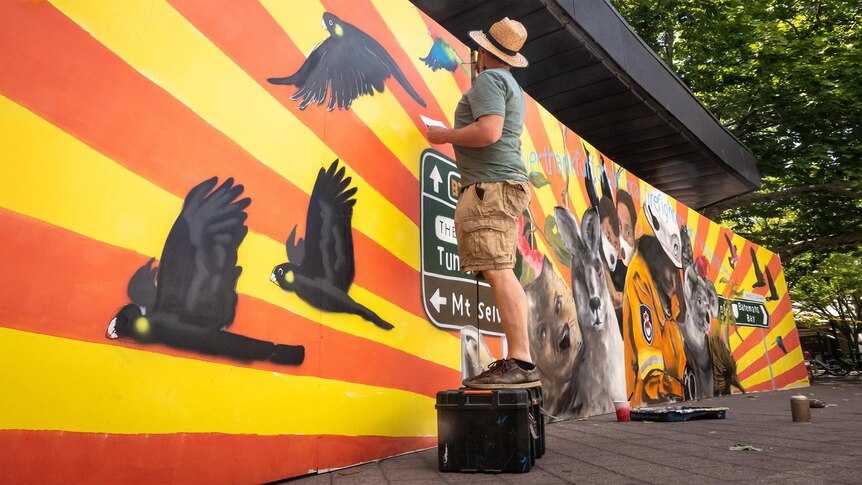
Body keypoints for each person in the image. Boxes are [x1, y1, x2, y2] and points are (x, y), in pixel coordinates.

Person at [426, 17, 538, 389]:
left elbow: (489, 131)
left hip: (490, 186)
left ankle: (520, 360)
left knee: (498, 269)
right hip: (500, 185)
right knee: (500, 267)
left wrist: (444, 135)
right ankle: (520, 359)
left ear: (485, 52)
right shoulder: (510, 84)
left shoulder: (490, 80)